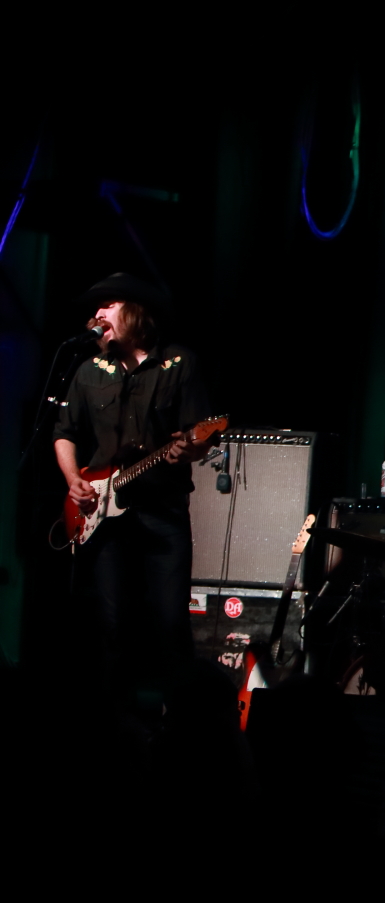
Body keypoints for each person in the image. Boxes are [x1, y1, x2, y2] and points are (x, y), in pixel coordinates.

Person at [53, 272, 212, 723]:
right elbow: (64, 433)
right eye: (96, 307)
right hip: (103, 515)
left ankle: (181, 725)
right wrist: (73, 479)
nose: (98, 314)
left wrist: (189, 448)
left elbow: (199, 436)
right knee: (112, 624)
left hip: (163, 512)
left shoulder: (178, 363)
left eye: (109, 304)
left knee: (170, 623)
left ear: (137, 311)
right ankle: (115, 727)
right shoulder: (89, 371)